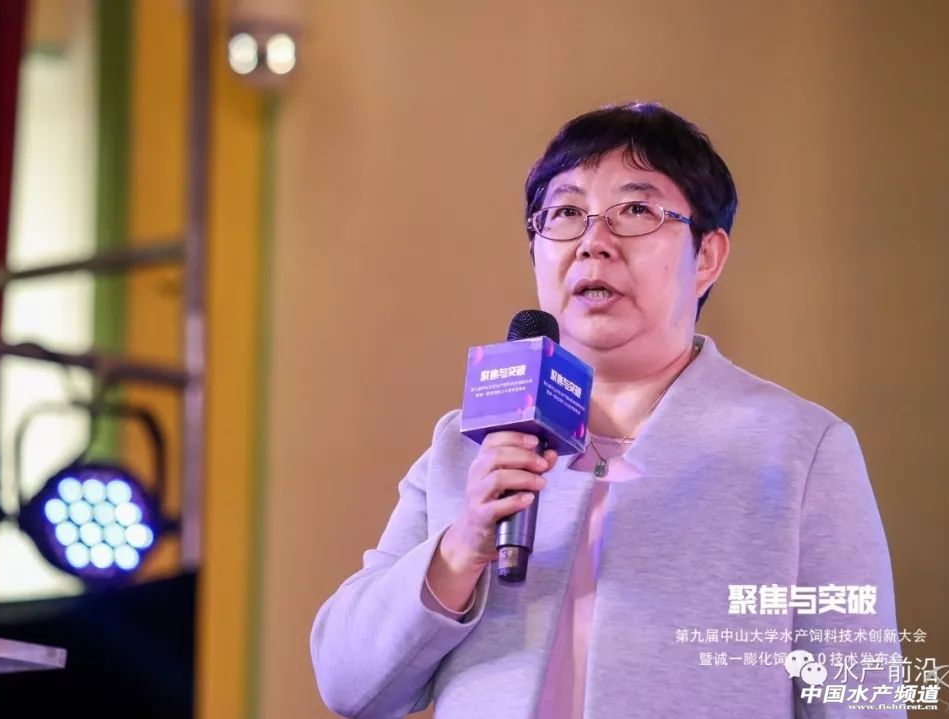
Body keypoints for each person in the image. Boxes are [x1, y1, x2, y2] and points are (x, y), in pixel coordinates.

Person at [310, 102, 904, 718]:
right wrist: (459, 550)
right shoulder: (468, 444)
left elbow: (860, 700)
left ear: (706, 256)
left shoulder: (798, 451)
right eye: (567, 213)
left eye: (637, 211)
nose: (594, 243)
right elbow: (348, 683)